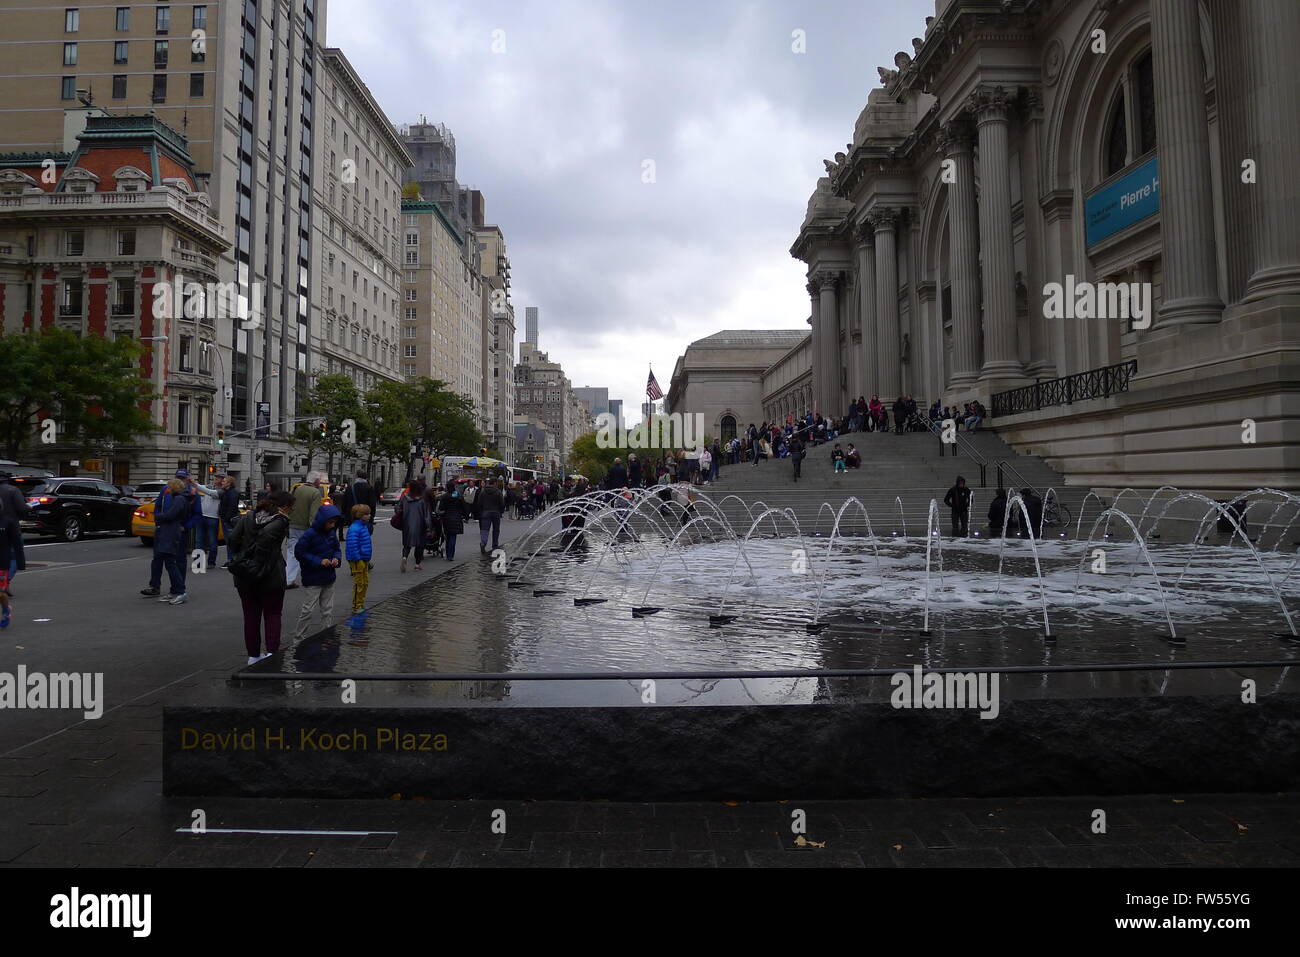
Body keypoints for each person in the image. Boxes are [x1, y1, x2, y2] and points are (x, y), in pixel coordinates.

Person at [227, 489, 293, 664]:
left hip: (246, 575)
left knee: (250, 615)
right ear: (284, 507)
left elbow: (232, 538)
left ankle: (253, 655)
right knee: (273, 614)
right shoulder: (281, 521)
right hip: (271, 573)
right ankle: (272, 653)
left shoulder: (248, 517)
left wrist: (244, 553)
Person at [292, 504, 342, 641]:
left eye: (334, 523)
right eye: (330, 522)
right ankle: (298, 638)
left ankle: (326, 633)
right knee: (307, 610)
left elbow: (337, 549)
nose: (332, 525)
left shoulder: (331, 533)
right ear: (322, 521)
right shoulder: (310, 534)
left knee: (327, 609)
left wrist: (336, 559)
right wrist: (319, 561)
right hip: (313, 578)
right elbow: (299, 552)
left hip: (328, 576)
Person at [152, 477, 193, 605]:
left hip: (171, 531)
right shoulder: (181, 498)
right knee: (169, 562)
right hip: (170, 530)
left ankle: (180, 591)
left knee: (170, 562)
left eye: (169, 487)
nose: (167, 489)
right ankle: (175, 591)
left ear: (173, 488)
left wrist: (159, 517)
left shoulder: (179, 499)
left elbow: (171, 515)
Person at [285, 471, 324, 588]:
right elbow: (314, 513)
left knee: (292, 552)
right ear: (316, 481)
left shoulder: (296, 489)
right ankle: (313, 576)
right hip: (306, 527)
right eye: (319, 481)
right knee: (310, 552)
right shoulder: (315, 493)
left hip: (292, 525)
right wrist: (316, 529)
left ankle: (288, 579)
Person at [0, 471, 28, 629]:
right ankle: (7, 582)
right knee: (12, 557)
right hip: (12, 531)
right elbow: (22, 508)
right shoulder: (12, 490)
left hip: (3, 543)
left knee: (0, 592)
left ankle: (5, 605)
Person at [345, 504, 374, 614]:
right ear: (359, 515)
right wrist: (357, 559)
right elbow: (352, 546)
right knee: (359, 583)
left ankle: (360, 603)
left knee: (364, 582)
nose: (369, 516)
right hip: (358, 559)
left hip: (363, 558)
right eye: (366, 514)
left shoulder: (362, 526)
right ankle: (357, 606)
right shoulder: (356, 528)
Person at [192, 474, 225, 569]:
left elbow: (210, 493)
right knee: (199, 541)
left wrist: (195, 484)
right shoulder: (210, 486)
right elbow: (201, 488)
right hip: (202, 516)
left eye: (218, 478)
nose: (215, 479)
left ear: (222, 480)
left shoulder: (222, 491)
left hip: (213, 517)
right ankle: (198, 563)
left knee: (212, 541)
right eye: (215, 478)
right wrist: (194, 483)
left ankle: (211, 562)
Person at [397, 479, 430, 572]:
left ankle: (404, 557)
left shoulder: (405, 497)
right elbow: (426, 514)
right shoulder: (422, 500)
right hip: (420, 524)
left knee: (407, 544)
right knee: (419, 545)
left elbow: (398, 508)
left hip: (407, 523)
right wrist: (428, 526)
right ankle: (417, 564)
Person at [338, 470, 379, 541]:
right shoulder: (369, 488)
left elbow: (344, 503)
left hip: (352, 516)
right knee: (364, 538)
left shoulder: (350, 488)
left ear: (356, 476)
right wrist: (371, 517)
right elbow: (372, 504)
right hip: (365, 516)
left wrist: (345, 514)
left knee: (353, 537)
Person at [435, 480, 468, 560]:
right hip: (457, 517)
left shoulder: (444, 497)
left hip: (447, 518)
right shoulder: (458, 496)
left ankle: (448, 554)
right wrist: (465, 516)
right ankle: (451, 555)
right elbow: (464, 507)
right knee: (453, 537)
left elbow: (441, 508)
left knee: (447, 536)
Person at [217, 476, 241, 566]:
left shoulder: (232, 493)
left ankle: (232, 560)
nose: (222, 482)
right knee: (229, 540)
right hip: (227, 519)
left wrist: (225, 519)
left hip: (229, 520)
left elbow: (232, 507)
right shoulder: (227, 492)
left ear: (229, 483)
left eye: (224, 481)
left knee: (230, 540)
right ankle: (231, 559)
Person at [478, 478, 505, 553]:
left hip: (485, 512)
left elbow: (479, 503)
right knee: (496, 529)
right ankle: (495, 545)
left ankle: (483, 543)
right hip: (496, 512)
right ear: (495, 483)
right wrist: (501, 511)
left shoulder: (483, 492)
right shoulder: (498, 492)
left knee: (485, 529)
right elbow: (502, 503)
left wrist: (481, 512)